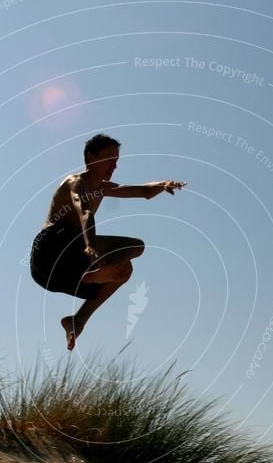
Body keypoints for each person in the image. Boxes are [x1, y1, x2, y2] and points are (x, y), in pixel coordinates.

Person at [30, 134, 185, 350]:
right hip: (49, 251)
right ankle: (93, 272)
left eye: (117, 160)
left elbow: (143, 192)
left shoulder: (103, 188)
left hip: (56, 276)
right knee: (131, 247)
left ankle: (77, 320)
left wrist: (163, 184)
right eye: (109, 158)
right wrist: (90, 245)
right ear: (91, 157)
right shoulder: (75, 183)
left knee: (126, 266)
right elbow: (84, 212)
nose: (114, 165)